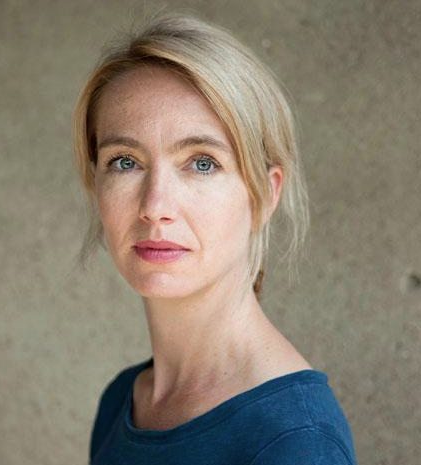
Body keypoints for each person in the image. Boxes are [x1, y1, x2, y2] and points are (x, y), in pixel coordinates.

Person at [73, 10, 358, 465]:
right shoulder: (122, 401)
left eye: (202, 163)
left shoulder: (295, 442)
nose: (155, 205)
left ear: (265, 194)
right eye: (125, 161)